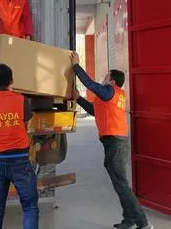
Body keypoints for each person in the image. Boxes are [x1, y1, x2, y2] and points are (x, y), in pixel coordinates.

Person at [70, 52, 153, 229]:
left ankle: (143, 223)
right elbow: (94, 111)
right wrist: (78, 99)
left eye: (106, 76)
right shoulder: (110, 96)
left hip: (115, 143)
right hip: (113, 142)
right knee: (119, 183)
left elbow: (90, 84)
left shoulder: (110, 91)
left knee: (121, 184)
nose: (104, 78)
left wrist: (76, 66)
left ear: (112, 81)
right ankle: (130, 220)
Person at [0, 64, 39, 229]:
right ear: (12, 81)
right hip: (20, 159)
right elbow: (26, 118)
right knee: (30, 206)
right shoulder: (21, 100)